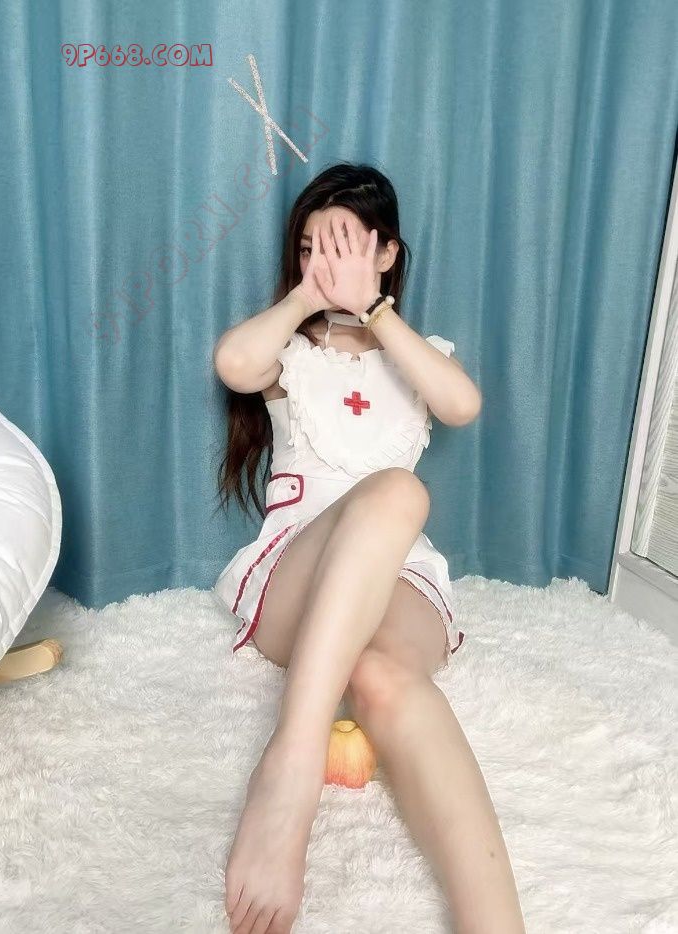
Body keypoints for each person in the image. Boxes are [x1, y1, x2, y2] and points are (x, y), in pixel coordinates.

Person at [212, 163, 526, 934]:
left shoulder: (420, 352)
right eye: (311, 248)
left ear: (387, 253)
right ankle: (291, 769)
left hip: (398, 581)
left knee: (384, 675)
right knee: (398, 493)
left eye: (346, 247)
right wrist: (307, 298)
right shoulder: (292, 352)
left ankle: (496, 922)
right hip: (298, 579)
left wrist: (374, 312)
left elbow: (461, 404)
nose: (326, 262)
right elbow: (234, 364)